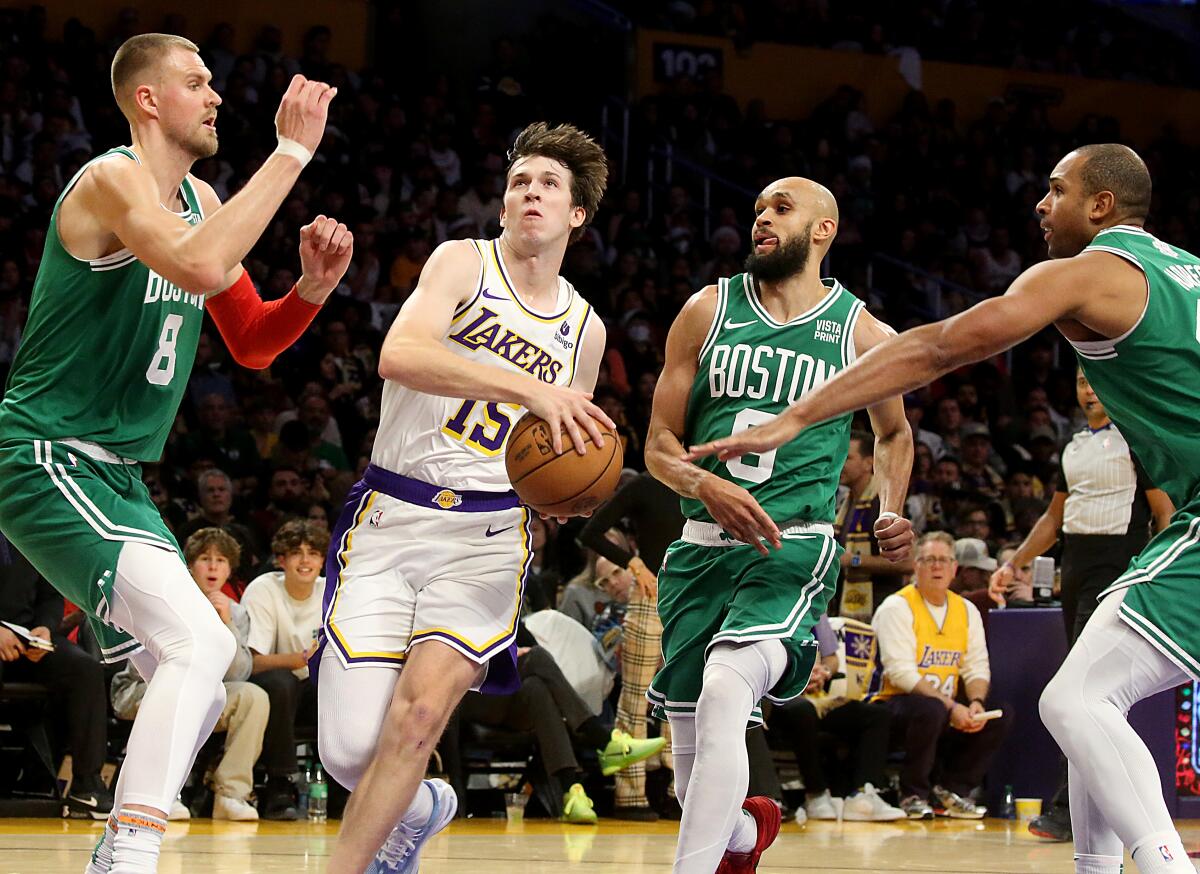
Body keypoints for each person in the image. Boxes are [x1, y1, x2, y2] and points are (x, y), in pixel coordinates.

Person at [688, 144, 1200, 874]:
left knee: (1075, 703)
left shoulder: (1093, 272)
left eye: (1056, 190)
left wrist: (795, 416)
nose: (1040, 204)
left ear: (1102, 206)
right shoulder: (1187, 271)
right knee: (1093, 701)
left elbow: (940, 346)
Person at [0, 32, 349, 874]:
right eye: (196, 82)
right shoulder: (110, 178)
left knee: (208, 654)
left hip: (115, 477)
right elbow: (196, 266)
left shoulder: (198, 197)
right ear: (149, 100)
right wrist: (292, 152)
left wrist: (307, 292)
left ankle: (119, 839)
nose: (216, 95)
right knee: (199, 645)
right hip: (46, 456)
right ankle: (131, 849)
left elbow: (255, 342)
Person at [314, 122, 616, 874]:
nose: (531, 192)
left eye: (549, 184)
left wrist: (568, 497)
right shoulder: (460, 263)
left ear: (577, 214)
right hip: (389, 516)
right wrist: (528, 387)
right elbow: (401, 354)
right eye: (520, 181)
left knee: (417, 720)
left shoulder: (585, 329)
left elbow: (562, 448)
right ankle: (423, 809)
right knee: (351, 752)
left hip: (486, 537)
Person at [644, 176, 914, 873]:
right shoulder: (707, 310)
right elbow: (657, 445)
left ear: (823, 230)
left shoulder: (859, 331)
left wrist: (888, 509)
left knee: (725, 689)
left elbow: (895, 433)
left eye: (781, 209)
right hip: (699, 551)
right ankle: (741, 834)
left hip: (790, 545)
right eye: (759, 209)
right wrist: (704, 484)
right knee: (687, 776)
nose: (762, 219)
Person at [989, 367, 1174, 841]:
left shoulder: (1137, 438)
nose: (1088, 389)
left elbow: (1164, 514)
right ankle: (1098, 817)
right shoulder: (1071, 446)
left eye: (1095, 380)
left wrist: (1158, 571)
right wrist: (1014, 563)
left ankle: (1067, 811)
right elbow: (1054, 518)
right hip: (1075, 570)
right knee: (1089, 699)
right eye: (1080, 382)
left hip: (1119, 567)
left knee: (1081, 694)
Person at [111, 528, 267, 822]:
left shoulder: (236, 611)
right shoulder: (169, 596)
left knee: (254, 697)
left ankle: (230, 793)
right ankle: (163, 793)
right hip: (144, 687)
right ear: (189, 565)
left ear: (230, 569)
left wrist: (226, 626)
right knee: (184, 692)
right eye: (204, 559)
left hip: (206, 691)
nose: (212, 566)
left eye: (221, 560)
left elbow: (240, 673)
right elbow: (150, 664)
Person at [871, 532, 1012, 818]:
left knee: (999, 713)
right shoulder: (896, 607)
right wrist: (952, 707)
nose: (937, 567)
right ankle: (912, 793)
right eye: (929, 560)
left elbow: (976, 666)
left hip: (942, 706)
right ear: (916, 566)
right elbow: (901, 674)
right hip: (892, 706)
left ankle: (952, 791)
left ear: (954, 569)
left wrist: (975, 703)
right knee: (931, 709)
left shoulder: (966, 609)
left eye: (944, 560)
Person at [578, 470, 682, 819]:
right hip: (650, 596)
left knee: (684, 699)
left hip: (691, 597)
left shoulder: (704, 480)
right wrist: (633, 562)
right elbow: (590, 532)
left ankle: (677, 793)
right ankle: (629, 793)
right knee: (636, 698)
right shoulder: (645, 485)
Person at [0, 533, 112, 819]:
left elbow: (51, 594)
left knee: (84, 669)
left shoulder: (27, 529)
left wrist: (45, 628)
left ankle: (87, 785)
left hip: (27, 639)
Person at [242, 519, 328, 820]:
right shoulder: (263, 589)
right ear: (282, 560)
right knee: (282, 683)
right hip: (272, 690)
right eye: (296, 553)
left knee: (339, 685)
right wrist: (302, 658)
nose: (305, 560)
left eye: (313, 553)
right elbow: (251, 661)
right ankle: (280, 785)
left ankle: (345, 789)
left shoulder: (332, 592)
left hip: (313, 690)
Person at [835, 430, 914, 621]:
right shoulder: (845, 503)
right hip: (845, 610)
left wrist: (854, 560)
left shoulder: (884, 502)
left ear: (868, 463)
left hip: (881, 611)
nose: (840, 464)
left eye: (848, 458)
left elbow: (907, 562)